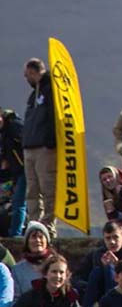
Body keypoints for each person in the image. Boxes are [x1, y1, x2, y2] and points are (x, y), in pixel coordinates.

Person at [22, 57, 58, 239]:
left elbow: (53, 116)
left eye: (27, 74)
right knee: (32, 190)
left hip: (45, 148)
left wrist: (51, 140)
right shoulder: (33, 95)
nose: (25, 78)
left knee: (48, 188)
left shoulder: (50, 89)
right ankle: (34, 226)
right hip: (30, 147)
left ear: (34, 72)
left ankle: (48, 226)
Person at [11, 220, 54, 300]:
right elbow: (15, 299)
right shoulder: (17, 270)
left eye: (41, 237)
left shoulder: (56, 264)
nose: (37, 240)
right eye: (33, 236)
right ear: (27, 242)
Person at [0, 108, 27, 237]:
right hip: (15, 173)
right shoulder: (4, 133)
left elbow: (26, 143)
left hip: (24, 169)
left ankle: (16, 234)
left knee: (19, 202)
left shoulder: (14, 127)